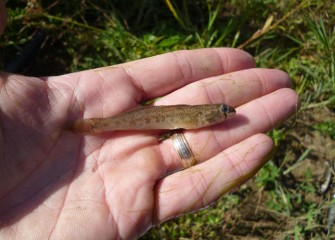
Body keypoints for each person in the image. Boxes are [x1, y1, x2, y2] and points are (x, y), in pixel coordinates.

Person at [0, 2, 299, 240]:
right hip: (154, 118)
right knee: (114, 122)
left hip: (162, 118)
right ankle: (91, 126)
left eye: (224, 111)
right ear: (213, 112)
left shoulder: (210, 114)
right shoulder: (210, 113)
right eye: (224, 110)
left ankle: (93, 125)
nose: (226, 113)